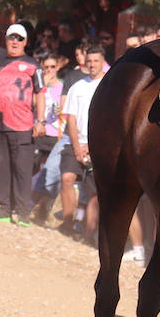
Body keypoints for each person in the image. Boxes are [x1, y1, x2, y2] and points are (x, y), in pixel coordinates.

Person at [0, 24, 44, 226]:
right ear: (5, 39)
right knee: (1, 168)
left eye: (19, 38)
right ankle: (4, 208)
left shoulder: (33, 65)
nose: (15, 41)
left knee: (22, 170)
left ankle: (22, 212)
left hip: (23, 126)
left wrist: (41, 120)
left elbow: (40, 93)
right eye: (11, 37)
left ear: (25, 42)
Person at [60, 45, 107, 238]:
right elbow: (70, 117)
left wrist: (92, 144)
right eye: (89, 61)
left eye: (96, 61)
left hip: (99, 145)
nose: (92, 65)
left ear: (103, 62)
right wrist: (77, 145)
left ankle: (88, 233)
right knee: (67, 179)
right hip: (76, 142)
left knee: (94, 193)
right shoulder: (77, 87)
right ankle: (68, 223)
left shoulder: (109, 85)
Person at [30, 53, 67, 225]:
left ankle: (43, 208)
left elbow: (64, 111)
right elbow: (31, 103)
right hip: (38, 132)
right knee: (35, 170)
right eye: (46, 67)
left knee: (48, 173)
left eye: (53, 67)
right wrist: (42, 87)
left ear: (58, 67)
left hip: (54, 134)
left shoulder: (63, 87)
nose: (50, 70)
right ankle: (31, 203)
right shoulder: (38, 86)